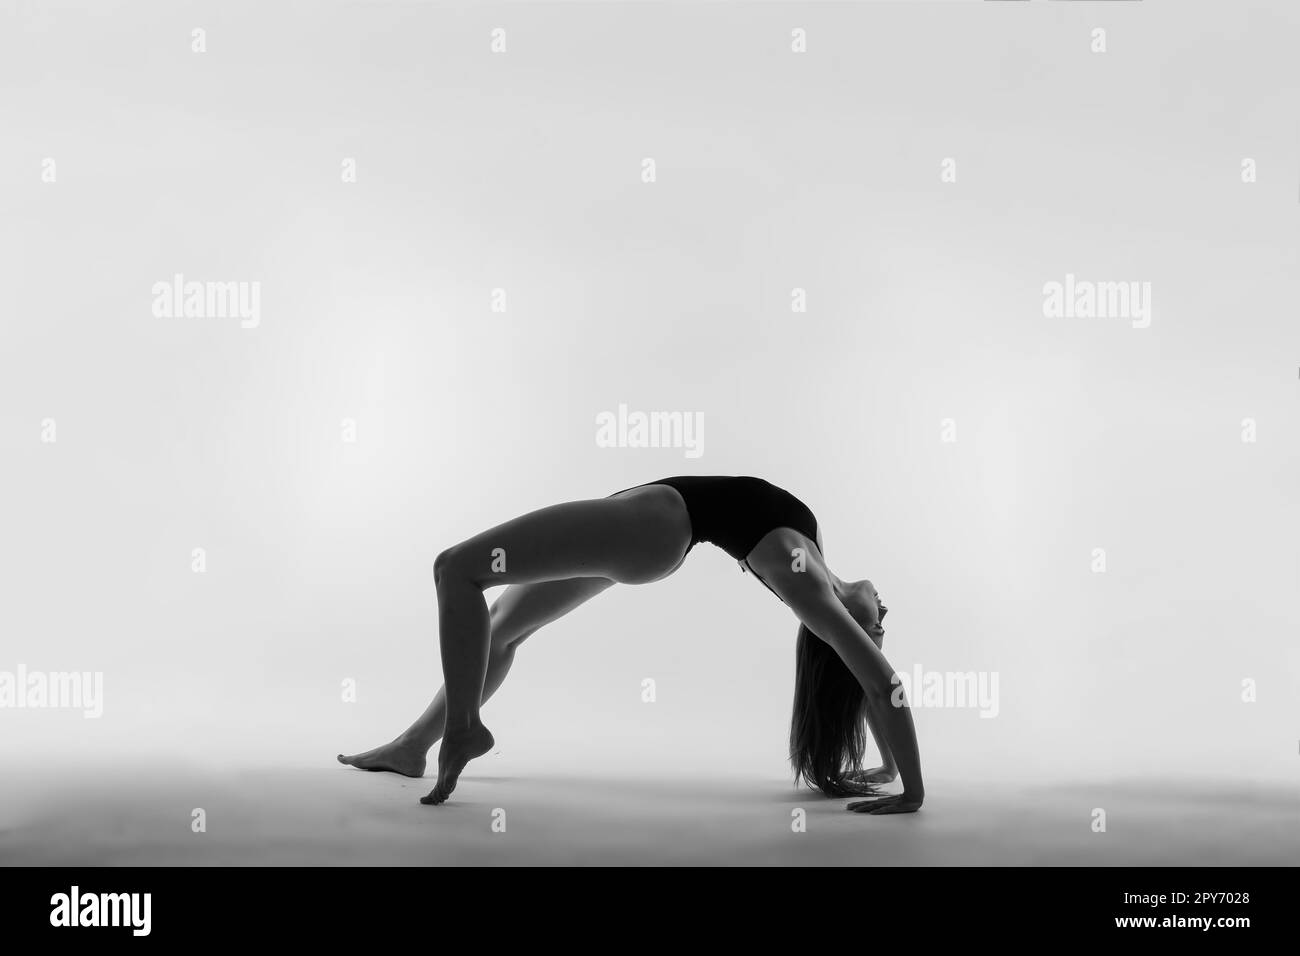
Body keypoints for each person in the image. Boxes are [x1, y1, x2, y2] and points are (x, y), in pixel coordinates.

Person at [338, 476, 924, 815]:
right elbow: (870, 685)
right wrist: (888, 766)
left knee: (456, 569)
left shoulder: (813, 589)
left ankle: (465, 727)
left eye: (876, 630)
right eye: (881, 628)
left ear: (845, 630)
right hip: (642, 527)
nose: (883, 618)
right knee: (503, 625)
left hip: (655, 526)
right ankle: (414, 744)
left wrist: (912, 792)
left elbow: (880, 683)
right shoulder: (815, 555)